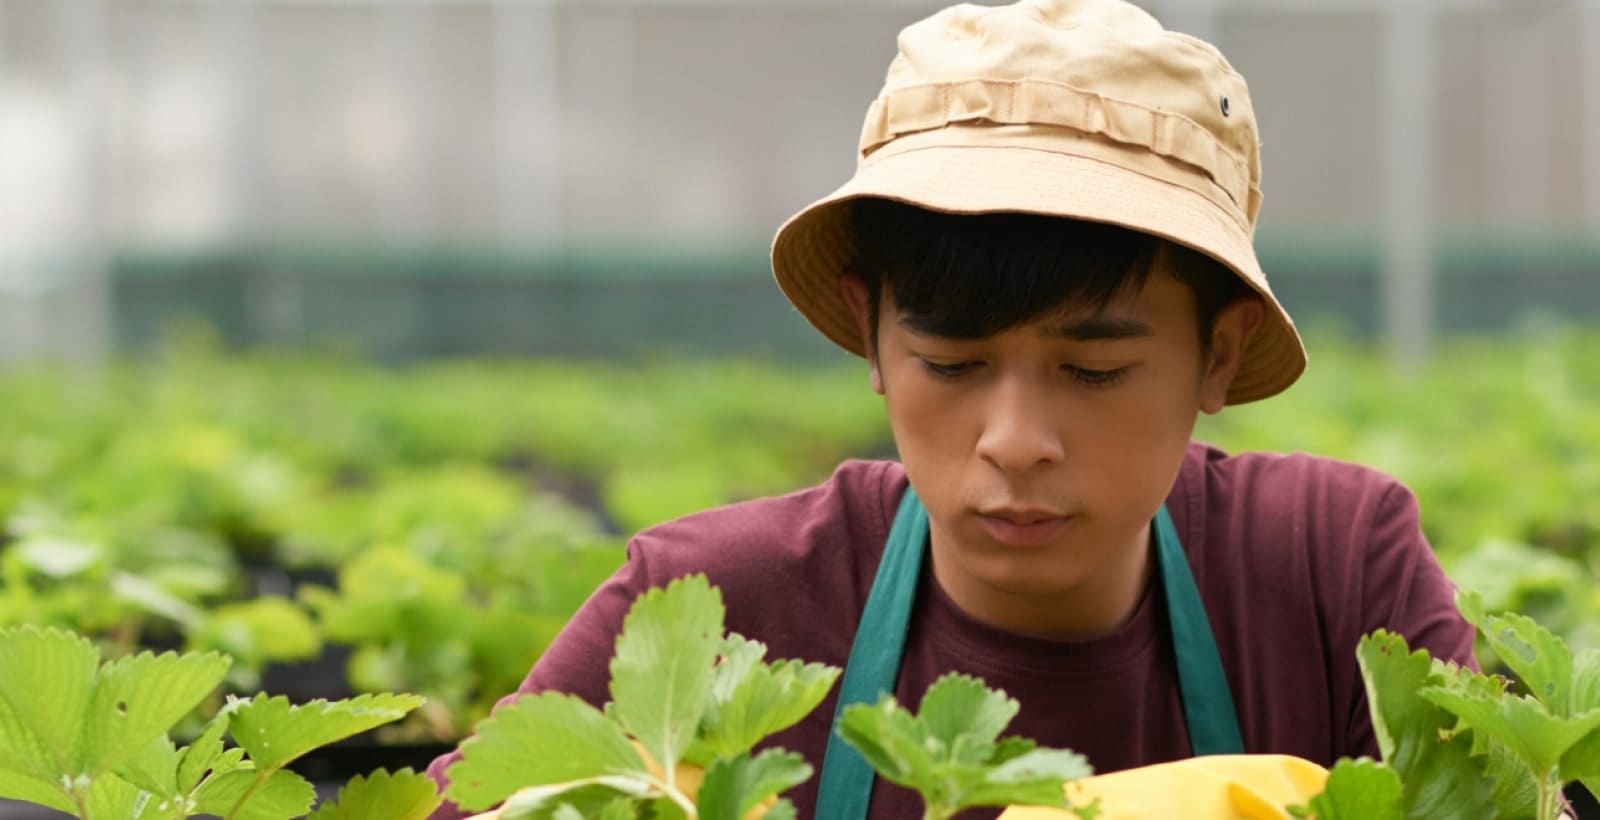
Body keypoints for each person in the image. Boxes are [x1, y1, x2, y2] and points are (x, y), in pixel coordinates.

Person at [427, 0, 1475, 816]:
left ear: (1218, 353)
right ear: (871, 337)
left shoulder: (1330, 568)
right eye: (950, 361)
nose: (1014, 441)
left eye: (1094, 370)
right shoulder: (706, 613)